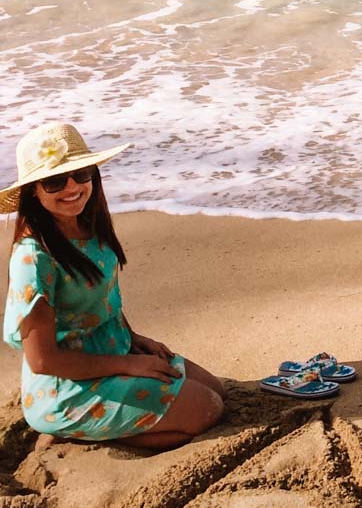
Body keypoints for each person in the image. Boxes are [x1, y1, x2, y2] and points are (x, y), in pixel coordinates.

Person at [2, 121, 225, 450]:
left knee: (215, 390)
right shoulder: (34, 258)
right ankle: (72, 431)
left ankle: (103, 425)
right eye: (54, 181)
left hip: (110, 348)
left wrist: (134, 339)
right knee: (205, 410)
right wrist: (130, 364)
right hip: (65, 386)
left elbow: (102, 301)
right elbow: (43, 361)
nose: (72, 187)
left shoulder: (89, 226)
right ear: (34, 191)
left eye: (81, 174)